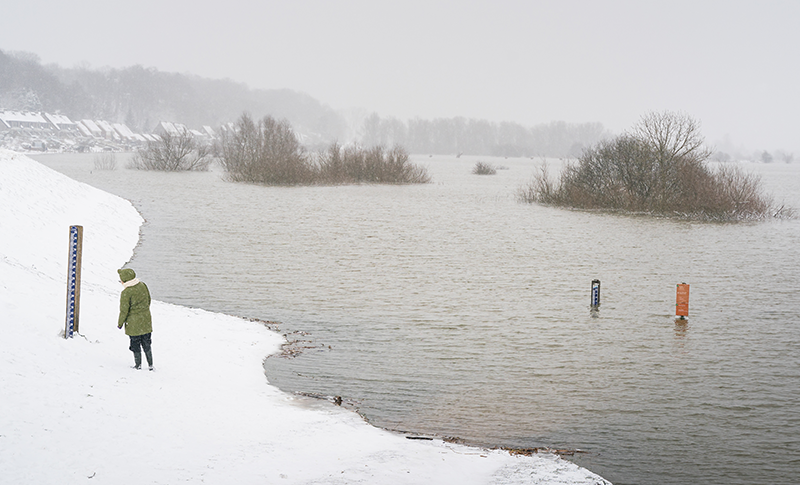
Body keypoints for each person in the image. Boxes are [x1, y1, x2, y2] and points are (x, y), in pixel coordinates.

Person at [117, 268, 154, 370]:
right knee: (147, 343)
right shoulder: (142, 285)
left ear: (124, 280)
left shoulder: (126, 292)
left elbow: (124, 310)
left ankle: (138, 365)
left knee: (135, 344)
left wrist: (120, 323)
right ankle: (150, 365)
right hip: (146, 320)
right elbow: (148, 300)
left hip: (133, 324)